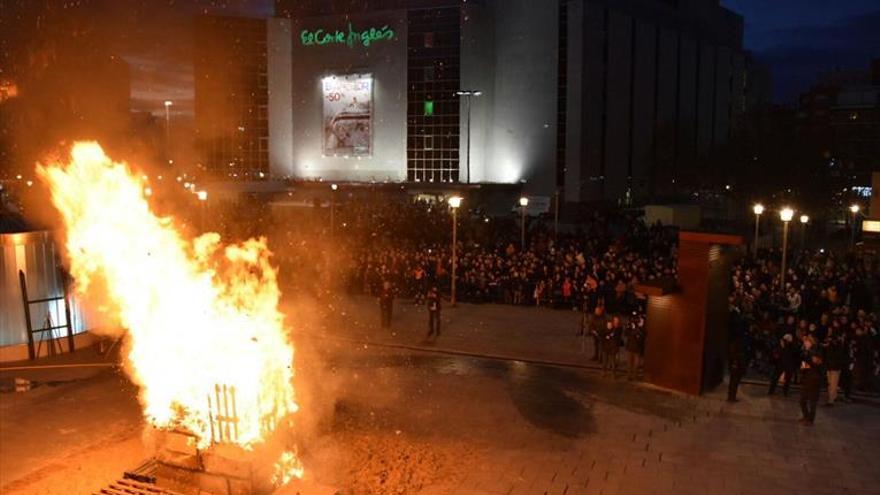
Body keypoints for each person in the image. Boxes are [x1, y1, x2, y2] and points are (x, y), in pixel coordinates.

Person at [727, 302, 746, 402]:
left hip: (736, 359)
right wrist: (735, 362)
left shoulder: (735, 340)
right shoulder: (736, 341)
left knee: (734, 380)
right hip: (736, 361)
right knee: (734, 380)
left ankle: (732, 396)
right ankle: (731, 397)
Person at [799, 352, 823, 425]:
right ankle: (806, 416)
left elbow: (820, 375)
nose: (813, 359)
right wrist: (803, 368)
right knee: (802, 401)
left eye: (815, 358)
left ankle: (810, 420)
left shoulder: (821, 366)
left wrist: (810, 366)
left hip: (815, 387)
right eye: (813, 357)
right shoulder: (809, 364)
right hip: (807, 384)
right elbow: (803, 371)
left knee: (812, 404)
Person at [625, 315, 646, 381]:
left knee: (636, 365)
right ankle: (629, 376)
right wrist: (630, 327)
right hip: (630, 348)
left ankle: (635, 376)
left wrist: (635, 329)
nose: (640, 322)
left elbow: (641, 337)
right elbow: (627, 334)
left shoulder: (643, 329)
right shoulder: (632, 327)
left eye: (642, 321)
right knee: (629, 364)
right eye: (639, 321)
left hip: (637, 350)